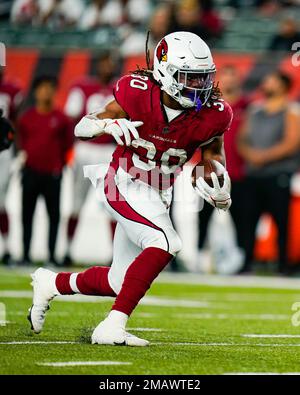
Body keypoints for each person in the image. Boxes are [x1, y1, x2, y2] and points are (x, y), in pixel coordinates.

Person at [28, 32, 233, 346]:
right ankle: (112, 325)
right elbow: (82, 127)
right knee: (167, 241)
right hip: (121, 181)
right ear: (166, 73)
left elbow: (212, 153)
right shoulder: (137, 92)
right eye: (190, 78)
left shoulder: (214, 113)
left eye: (204, 78)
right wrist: (108, 124)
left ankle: (51, 283)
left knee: (119, 280)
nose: (200, 87)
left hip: (157, 192)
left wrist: (214, 177)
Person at [238, 71, 300, 274]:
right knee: (248, 220)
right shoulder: (255, 109)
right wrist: (249, 154)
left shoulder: (291, 110)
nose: (265, 83)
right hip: (253, 174)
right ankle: (247, 262)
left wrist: (262, 157)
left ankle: (282, 264)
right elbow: (242, 138)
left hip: (277, 174)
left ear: (283, 86)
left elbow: (291, 142)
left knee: (281, 221)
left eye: (270, 80)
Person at [63, 53, 117, 266]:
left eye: (110, 63)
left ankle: (116, 254)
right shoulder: (82, 87)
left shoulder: (120, 88)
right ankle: (67, 249)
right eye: (104, 63)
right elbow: (70, 116)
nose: (107, 68)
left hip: (109, 151)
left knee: (114, 206)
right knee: (76, 202)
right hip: (85, 148)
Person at [197, 65, 249, 272]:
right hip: (210, 172)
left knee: (240, 219)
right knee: (203, 217)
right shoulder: (206, 105)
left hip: (238, 171)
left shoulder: (247, 106)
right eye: (225, 77)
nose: (228, 81)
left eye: (232, 76)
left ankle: (242, 260)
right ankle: (199, 256)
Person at [18, 76, 73, 266]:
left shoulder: (61, 118)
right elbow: (22, 141)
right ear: (36, 92)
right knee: (27, 215)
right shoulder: (27, 117)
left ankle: (51, 255)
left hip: (52, 173)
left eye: (50, 88)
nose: (46, 92)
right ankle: (25, 254)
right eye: (43, 88)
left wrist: (59, 164)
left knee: (54, 216)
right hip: (30, 171)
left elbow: (67, 145)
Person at [0, 68, 22, 265]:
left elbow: (16, 121)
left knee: (0, 200)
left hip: (3, 152)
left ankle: (6, 247)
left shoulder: (11, 90)